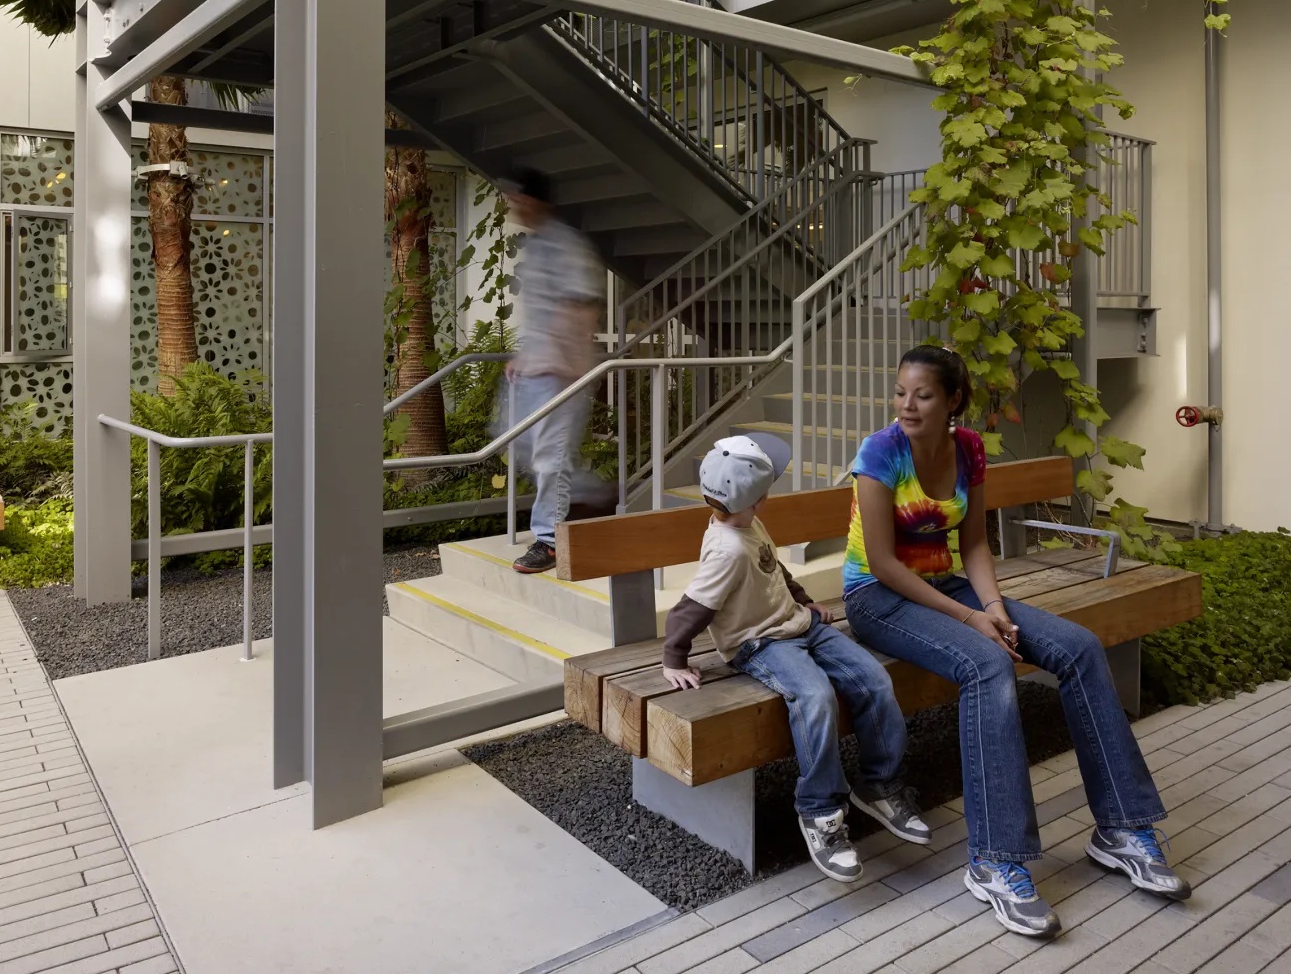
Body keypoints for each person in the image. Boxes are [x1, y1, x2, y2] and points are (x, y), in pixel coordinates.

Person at [842, 344, 1190, 940]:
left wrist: (996, 608)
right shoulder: (881, 452)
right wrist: (972, 619)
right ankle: (996, 862)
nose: (906, 405)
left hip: (949, 584)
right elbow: (881, 562)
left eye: (922, 395)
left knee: (1077, 646)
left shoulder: (968, 449)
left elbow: (975, 545)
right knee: (987, 665)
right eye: (901, 392)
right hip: (879, 596)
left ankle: (1121, 829)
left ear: (952, 400)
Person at [662, 433, 929, 883]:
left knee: (873, 680)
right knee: (815, 697)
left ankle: (880, 783)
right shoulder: (725, 549)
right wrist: (674, 657)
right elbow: (694, 606)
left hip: (798, 625)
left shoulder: (747, 524)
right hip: (759, 643)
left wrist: (803, 600)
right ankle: (820, 812)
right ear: (760, 496)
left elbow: (774, 568)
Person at [505, 169, 607, 575]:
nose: (512, 208)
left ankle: (548, 540)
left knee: (550, 456)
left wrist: (566, 362)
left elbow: (581, 306)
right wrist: (525, 353)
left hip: (561, 370)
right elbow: (541, 313)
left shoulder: (566, 244)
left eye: (515, 200)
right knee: (516, 439)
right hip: (535, 365)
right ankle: (588, 493)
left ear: (533, 201)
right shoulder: (536, 246)